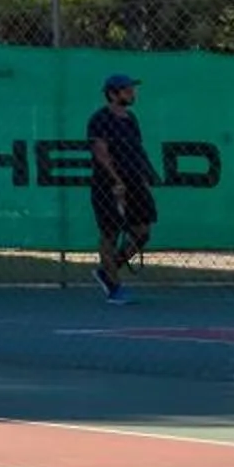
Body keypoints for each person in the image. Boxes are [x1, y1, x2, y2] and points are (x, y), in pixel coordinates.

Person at [88, 73, 155, 304]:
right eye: (127, 90)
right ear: (113, 94)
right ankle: (113, 287)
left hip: (135, 183)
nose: (132, 93)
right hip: (108, 185)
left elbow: (137, 150)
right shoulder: (100, 119)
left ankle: (108, 270)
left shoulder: (131, 119)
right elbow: (101, 153)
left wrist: (145, 176)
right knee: (110, 233)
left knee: (142, 232)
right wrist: (116, 181)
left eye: (131, 89)